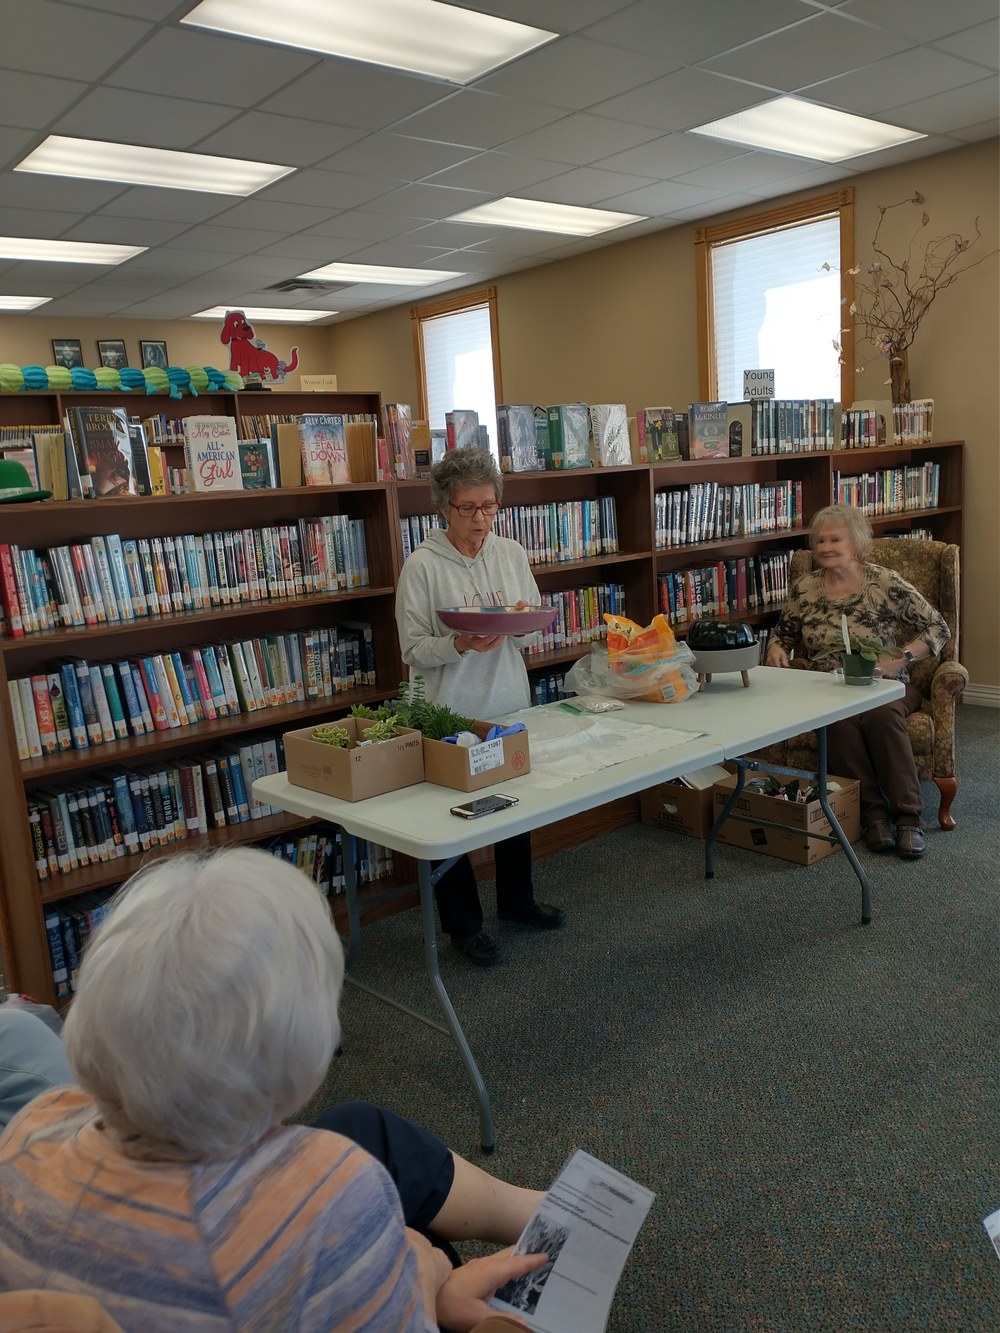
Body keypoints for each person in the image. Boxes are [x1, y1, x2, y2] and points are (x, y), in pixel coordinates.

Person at [0, 849, 547, 1331]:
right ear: (301, 1046)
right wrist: (435, 1288)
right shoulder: (332, 1193)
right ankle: (545, 1231)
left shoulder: (37, 1123)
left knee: (361, 1125)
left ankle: (532, 1213)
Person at [395, 448, 565, 966]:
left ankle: (516, 902)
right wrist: (459, 644)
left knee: (517, 808)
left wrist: (524, 622)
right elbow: (412, 649)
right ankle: (463, 927)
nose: (480, 520)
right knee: (450, 820)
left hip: (508, 699)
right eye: (468, 508)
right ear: (444, 507)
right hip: (448, 711)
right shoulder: (421, 567)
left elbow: (530, 615)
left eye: (489, 507)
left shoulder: (510, 552)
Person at [764, 503, 950, 860]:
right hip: (831, 690)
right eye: (820, 541)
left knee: (881, 718)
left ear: (856, 542)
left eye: (835, 539)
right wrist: (774, 648)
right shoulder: (805, 588)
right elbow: (782, 634)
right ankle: (873, 816)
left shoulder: (883, 582)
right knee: (837, 724)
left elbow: (938, 628)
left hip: (885, 685)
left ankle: (909, 818)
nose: (826, 547)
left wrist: (903, 658)